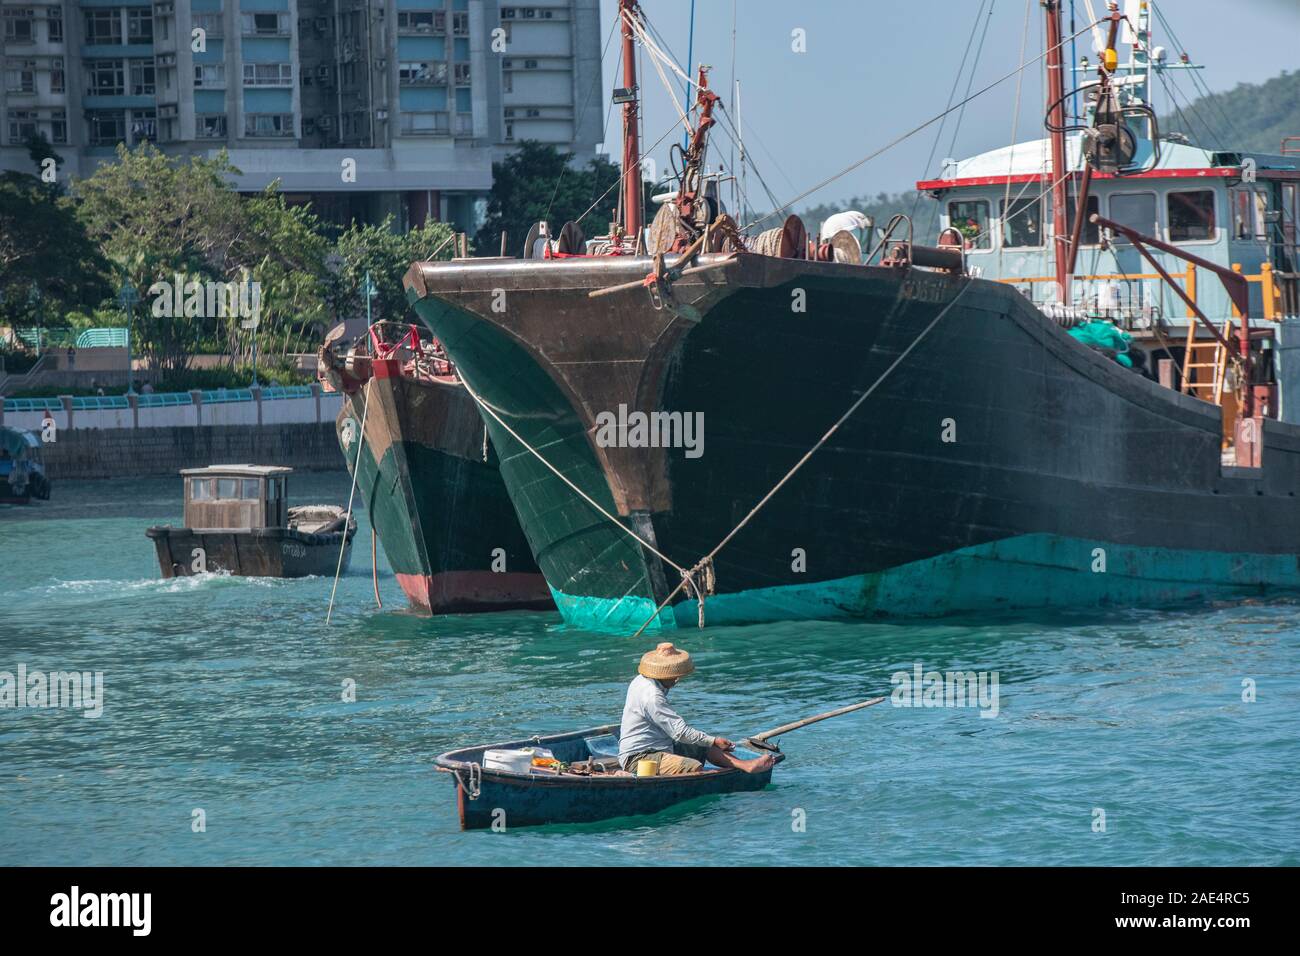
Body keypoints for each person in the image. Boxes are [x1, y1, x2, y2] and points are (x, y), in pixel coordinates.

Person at [618, 642, 776, 776]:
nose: (677, 679)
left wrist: (710, 742)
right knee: (693, 766)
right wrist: (714, 740)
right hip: (639, 758)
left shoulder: (641, 679)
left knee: (704, 745)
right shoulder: (652, 696)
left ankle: (745, 766)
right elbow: (680, 732)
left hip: (659, 746)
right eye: (674, 675)